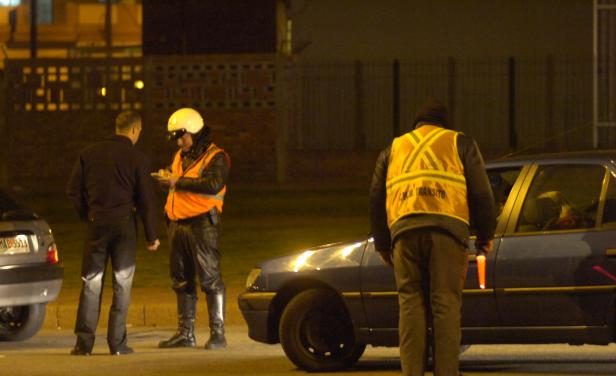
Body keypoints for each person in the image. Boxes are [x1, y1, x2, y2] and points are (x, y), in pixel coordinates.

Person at [369, 100, 496, 376]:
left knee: (410, 303)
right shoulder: (458, 142)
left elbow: (376, 198)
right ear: (444, 124)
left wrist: (382, 243)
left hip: (403, 233)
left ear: (417, 124)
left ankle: (412, 372)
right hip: (447, 233)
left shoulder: (394, 148)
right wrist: (485, 235)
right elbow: (482, 194)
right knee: (445, 304)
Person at [66, 110, 160, 356]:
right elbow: (146, 199)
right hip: (124, 225)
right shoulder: (136, 157)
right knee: (122, 282)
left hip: (96, 222)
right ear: (134, 130)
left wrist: (87, 214)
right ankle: (117, 343)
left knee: (90, 282)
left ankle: (83, 343)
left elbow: (73, 191)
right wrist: (152, 235)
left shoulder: (89, 153)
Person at [153, 107, 230, 350]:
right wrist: (167, 181)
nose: (179, 141)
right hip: (178, 224)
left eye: (182, 135)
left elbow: (213, 184)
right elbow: (179, 185)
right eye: (176, 136)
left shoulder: (216, 156)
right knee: (181, 280)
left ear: (196, 132)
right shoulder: (180, 156)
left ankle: (218, 333)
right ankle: (185, 333)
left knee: (210, 279)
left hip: (202, 224)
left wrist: (176, 182)